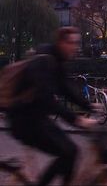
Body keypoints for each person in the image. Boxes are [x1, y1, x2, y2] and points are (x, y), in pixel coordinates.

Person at [7, 26, 94, 186]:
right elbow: (46, 99)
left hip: (36, 117)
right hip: (23, 119)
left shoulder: (57, 60)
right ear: (61, 42)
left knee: (71, 152)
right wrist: (76, 119)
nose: (75, 47)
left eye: (77, 43)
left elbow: (66, 89)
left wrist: (90, 106)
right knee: (69, 152)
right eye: (71, 43)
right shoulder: (43, 62)